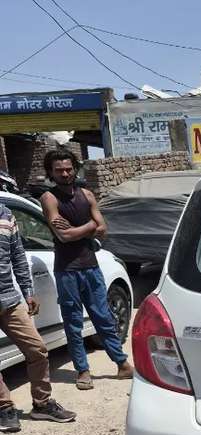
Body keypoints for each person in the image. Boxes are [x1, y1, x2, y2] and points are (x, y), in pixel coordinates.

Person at [39, 149, 133, 391]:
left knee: (104, 317)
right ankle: (82, 370)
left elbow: (103, 228)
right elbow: (64, 235)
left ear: (75, 168)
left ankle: (122, 364)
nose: (65, 173)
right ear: (50, 172)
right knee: (73, 323)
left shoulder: (87, 194)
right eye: (59, 170)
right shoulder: (49, 198)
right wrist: (90, 225)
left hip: (91, 266)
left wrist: (81, 227)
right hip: (67, 270)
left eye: (68, 169)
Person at [0, 201, 75, 431]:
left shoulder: (5, 214)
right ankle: (4, 408)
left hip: (8, 300)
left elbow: (18, 256)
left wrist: (28, 291)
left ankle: (42, 404)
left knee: (37, 350)